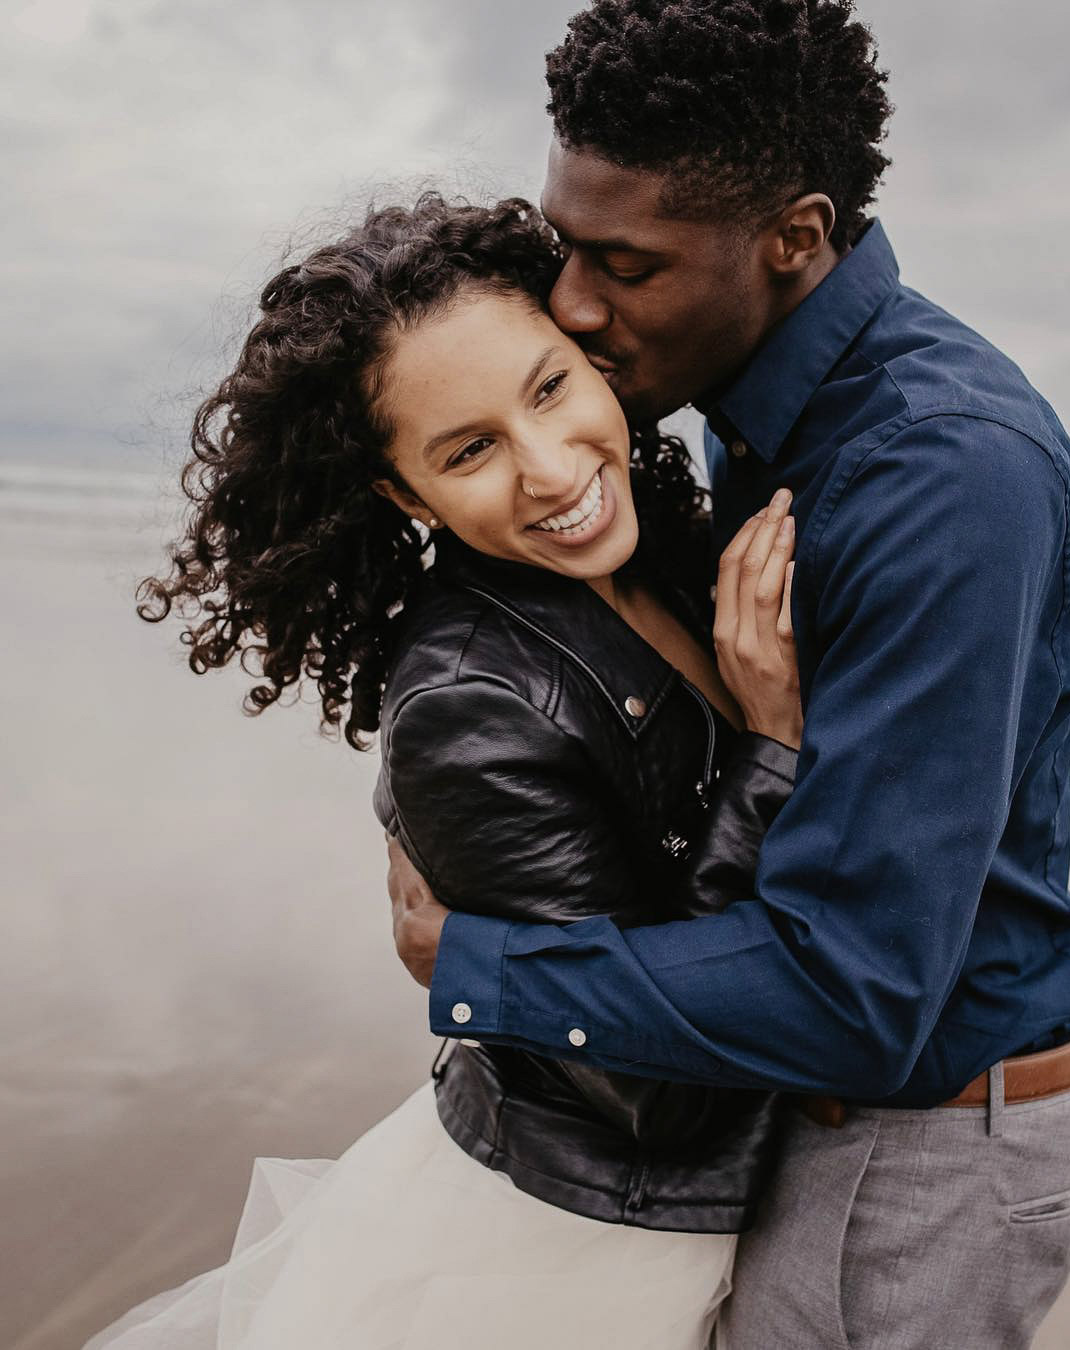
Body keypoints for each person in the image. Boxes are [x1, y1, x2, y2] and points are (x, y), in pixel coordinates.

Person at [387, 2, 1070, 1346]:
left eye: (626, 264)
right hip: (855, 1117)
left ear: (794, 238)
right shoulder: (765, 413)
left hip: (922, 1151)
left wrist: (478, 964)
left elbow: (856, 991)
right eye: (566, 248)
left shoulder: (941, 477)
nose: (577, 304)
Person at [86, 196, 804, 1350]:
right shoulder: (468, 703)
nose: (549, 469)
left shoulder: (666, 549)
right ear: (408, 497)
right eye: (468, 450)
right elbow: (659, 1093)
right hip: (570, 1266)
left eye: (551, 389)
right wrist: (772, 753)